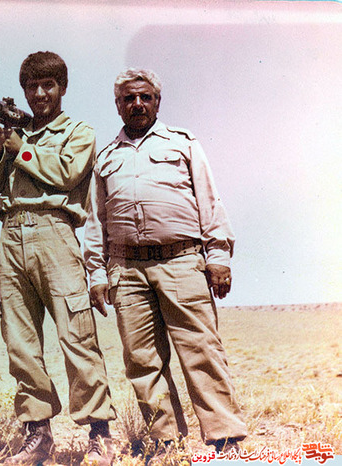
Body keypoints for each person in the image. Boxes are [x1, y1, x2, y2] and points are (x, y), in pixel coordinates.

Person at [84, 68, 247, 455]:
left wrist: (218, 256)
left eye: (145, 97)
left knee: (201, 351)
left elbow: (209, 200)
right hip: (126, 270)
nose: (137, 104)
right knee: (142, 360)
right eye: (129, 98)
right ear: (118, 105)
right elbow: (96, 221)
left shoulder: (183, 144)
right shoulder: (105, 158)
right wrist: (97, 274)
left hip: (182, 262)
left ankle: (226, 440)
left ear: (157, 101)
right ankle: (165, 442)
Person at [0, 51, 117, 466]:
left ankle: (99, 433)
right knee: (20, 340)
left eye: (48, 85)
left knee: (77, 335)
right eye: (31, 87)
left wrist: (19, 148)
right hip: (11, 234)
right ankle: (37, 434)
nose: (39, 94)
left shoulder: (78, 132)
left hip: (55, 232)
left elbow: (66, 174)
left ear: (62, 88)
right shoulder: (16, 131)